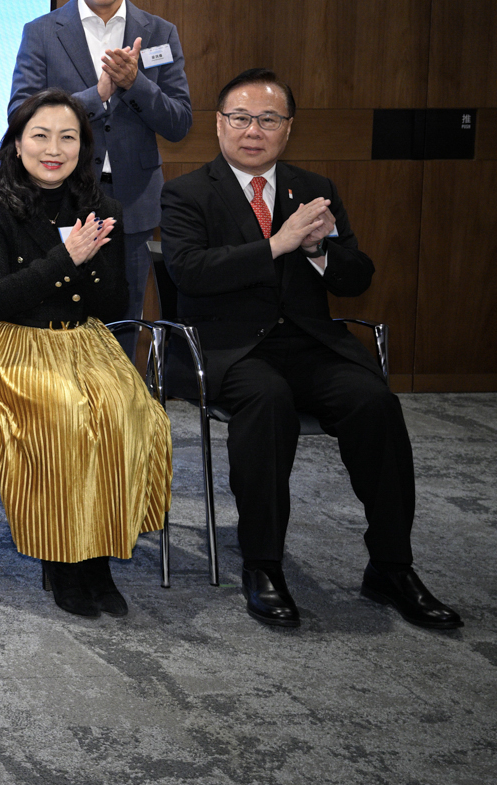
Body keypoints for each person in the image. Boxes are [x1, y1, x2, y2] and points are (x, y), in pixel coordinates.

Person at [160, 69, 460, 631]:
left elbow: (357, 277)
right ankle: (263, 565)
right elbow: (190, 272)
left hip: (311, 344)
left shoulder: (314, 188)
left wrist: (320, 250)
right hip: (232, 350)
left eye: (268, 119)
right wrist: (279, 243)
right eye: (240, 118)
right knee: (267, 402)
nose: (253, 130)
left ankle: (392, 566)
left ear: (289, 128)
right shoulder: (187, 192)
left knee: (375, 403)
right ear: (219, 125)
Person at [0, 89, 172, 618]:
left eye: (67, 137)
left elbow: (112, 303)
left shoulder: (104, 209)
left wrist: (88, 265)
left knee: (126, 412)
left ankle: (99, 554)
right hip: (11, 337)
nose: (53, 149)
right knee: (64, 414)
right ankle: (62, 557)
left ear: (84, 147)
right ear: (16, 144)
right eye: (40, 135)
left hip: (82, 337)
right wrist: (66, 259)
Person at [10, 0, 189, 327]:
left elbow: (179, 122)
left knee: (123, 320)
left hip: (133, 203)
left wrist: (136, 84)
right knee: (58, 320)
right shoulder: (42, 32)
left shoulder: (160, 33)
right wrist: (98, 95)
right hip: (60, 196)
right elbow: (21, 114)